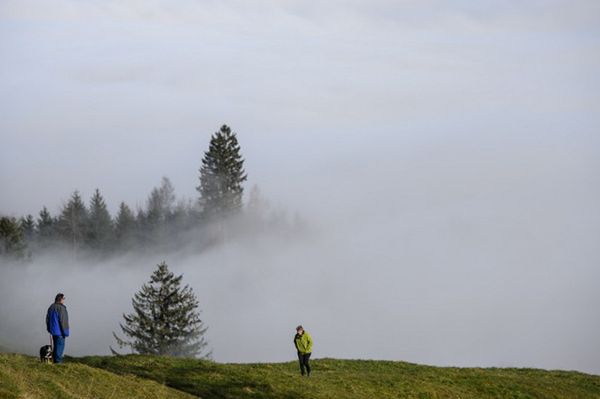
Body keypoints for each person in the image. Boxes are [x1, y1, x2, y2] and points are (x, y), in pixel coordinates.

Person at [46, 293, 69, 364]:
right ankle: (58, 362)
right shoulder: (61, 308)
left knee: (56, 346)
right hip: (60, 332)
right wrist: (65, 332)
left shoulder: (51, 307)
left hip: (53, 332)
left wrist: (49, 329)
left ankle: (54, 361)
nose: (64, 300)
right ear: (61, 299)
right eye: (63, 299)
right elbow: (63, 321)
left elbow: (47, 319)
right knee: (60, 346)